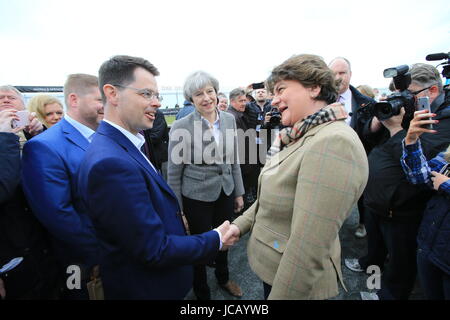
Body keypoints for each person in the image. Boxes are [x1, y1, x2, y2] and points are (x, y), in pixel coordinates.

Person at [77, 55, 230, 300]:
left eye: (156, 95)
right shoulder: (110, 163)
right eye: (146, 94)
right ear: (112, 93)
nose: (157, 103)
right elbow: (153, 249)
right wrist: (215, 239)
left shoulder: (126, 145)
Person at [224, 54, 369, 300]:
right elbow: (273, 194)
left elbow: (307, 247)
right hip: (274, 267)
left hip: (291, 282)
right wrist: (240, 225)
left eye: (281, 89)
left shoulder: (333, 142)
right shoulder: (296, 133)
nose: (274, 100)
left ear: (314, 87)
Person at [349, 63, 450, 300]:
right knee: (376, 253)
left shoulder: (443, 119)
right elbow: (370, 138)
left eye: (410, 94)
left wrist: (396, 129)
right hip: (378, 202)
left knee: (399, 264)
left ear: (432, 91)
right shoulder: (411, 110)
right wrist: (377, 122)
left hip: (404, 207)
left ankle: (388, 295)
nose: (404, 100)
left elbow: (417, 157)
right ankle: (374, 283)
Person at [21, 74, 104, 300]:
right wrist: (98, 253)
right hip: (82, 262)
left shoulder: (103, 136)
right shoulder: (43, 147)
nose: (107, 105)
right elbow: (58, 215)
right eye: (100, 99)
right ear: (75, 100)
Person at [167, 71, 245, 300]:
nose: (206, 98)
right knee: (200, 246)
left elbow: (233, 160)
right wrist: (179, 211)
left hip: (226, 191)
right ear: (191, 100)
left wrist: (239, 192)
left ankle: (223, 277)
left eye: (209, 91)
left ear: (216, 92)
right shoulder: (182, 126)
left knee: (225, 239)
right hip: (196, 197)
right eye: (198, 94)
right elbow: (173, 174)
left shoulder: (229, 119)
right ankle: (202, 292)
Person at [0, 107, 59, 300]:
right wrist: (5, 137)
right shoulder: (6, 140)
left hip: (45, 249)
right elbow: (3, 188)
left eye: (12, 98)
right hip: (12, 261)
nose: (7, 101)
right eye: (2, 98)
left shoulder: (30, 136)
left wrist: (37, 135)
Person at [401, 109, 450, 300]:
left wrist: (446, 185)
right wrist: (411, 140)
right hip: (430, 246)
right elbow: (419, 176)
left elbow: (440, 183)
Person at [329, 57, 376, 238]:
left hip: (359, 158)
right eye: (334, 73)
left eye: (342, 73)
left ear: (350, 74)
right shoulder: (319, 101)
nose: (338, 77)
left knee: (363, 194)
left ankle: (363, 222)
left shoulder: (366, 103)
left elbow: (372, 136)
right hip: (331, 158)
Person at [226, 88, 260, 212]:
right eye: (241, 101)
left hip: (245, 163)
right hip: (243, 164)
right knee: (244, 200)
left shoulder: (238, 114)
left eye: (245, 100)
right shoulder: (232, 117)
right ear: (232, 101)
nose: (244, 103)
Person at [141, 108, 170, 180]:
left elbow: (156, 135)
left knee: (164, 180)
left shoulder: (158, 114)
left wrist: (140, 140)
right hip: (152, 154)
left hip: (161, 155)